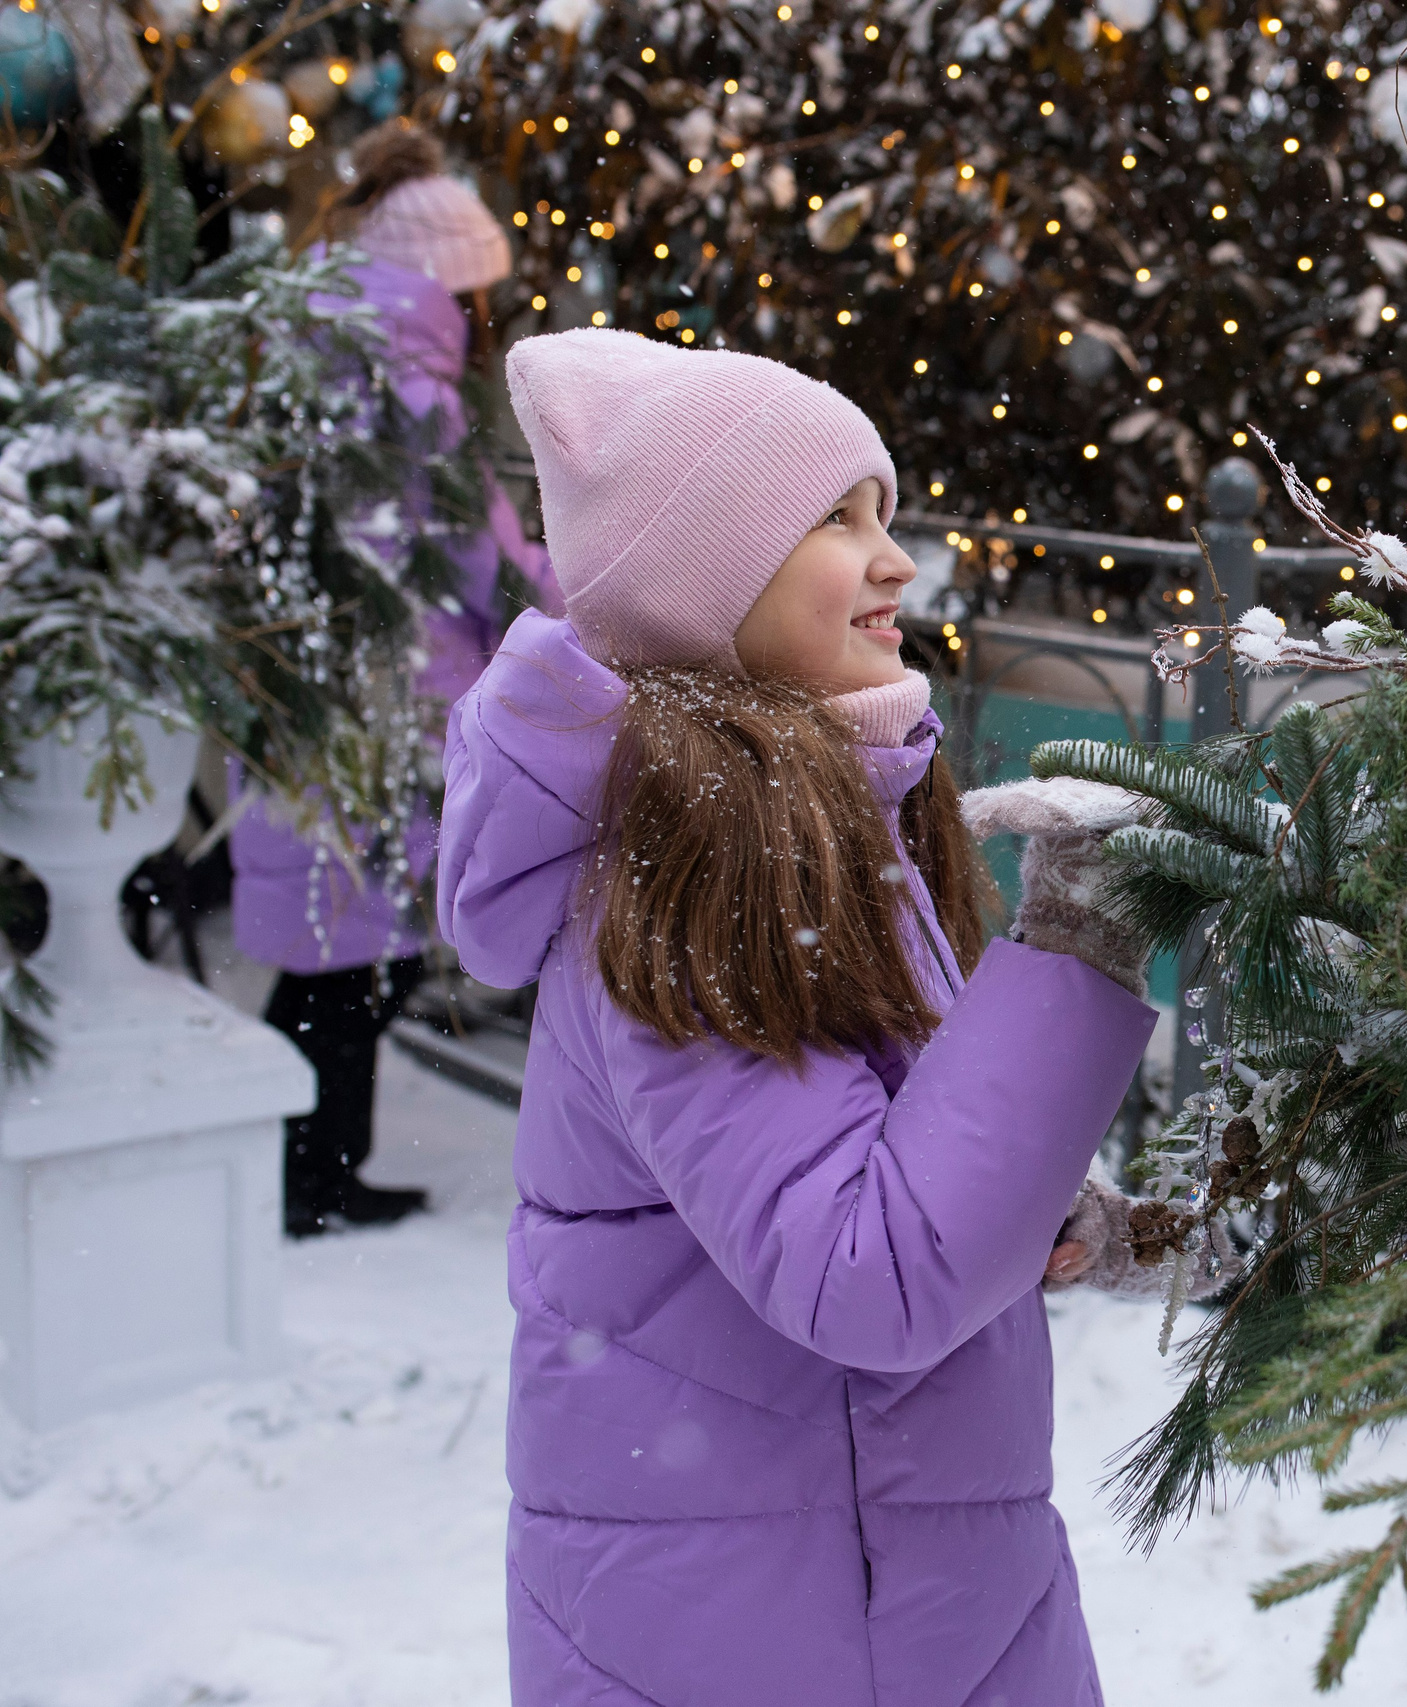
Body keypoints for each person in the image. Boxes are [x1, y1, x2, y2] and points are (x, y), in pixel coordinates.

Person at [437, 328, 1176, 1705]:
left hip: (896, 1594)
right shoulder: (697, 857)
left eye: (883, 512)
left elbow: (873, 1168)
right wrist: (1074, 941)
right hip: (775, 1632)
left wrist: (1043, 1212)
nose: (896, 560)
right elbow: (869, 1271)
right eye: (836, 519)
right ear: (703, 579)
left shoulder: (823, 819)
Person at [228, 122, 558, 1238]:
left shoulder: (312, 368)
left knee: (331, 959)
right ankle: (314, 1180)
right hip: (384, 710)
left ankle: (307, 1173)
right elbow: (477, 554)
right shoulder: (409, 399)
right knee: (346, 968)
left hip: (313, 696)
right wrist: (571, 592)